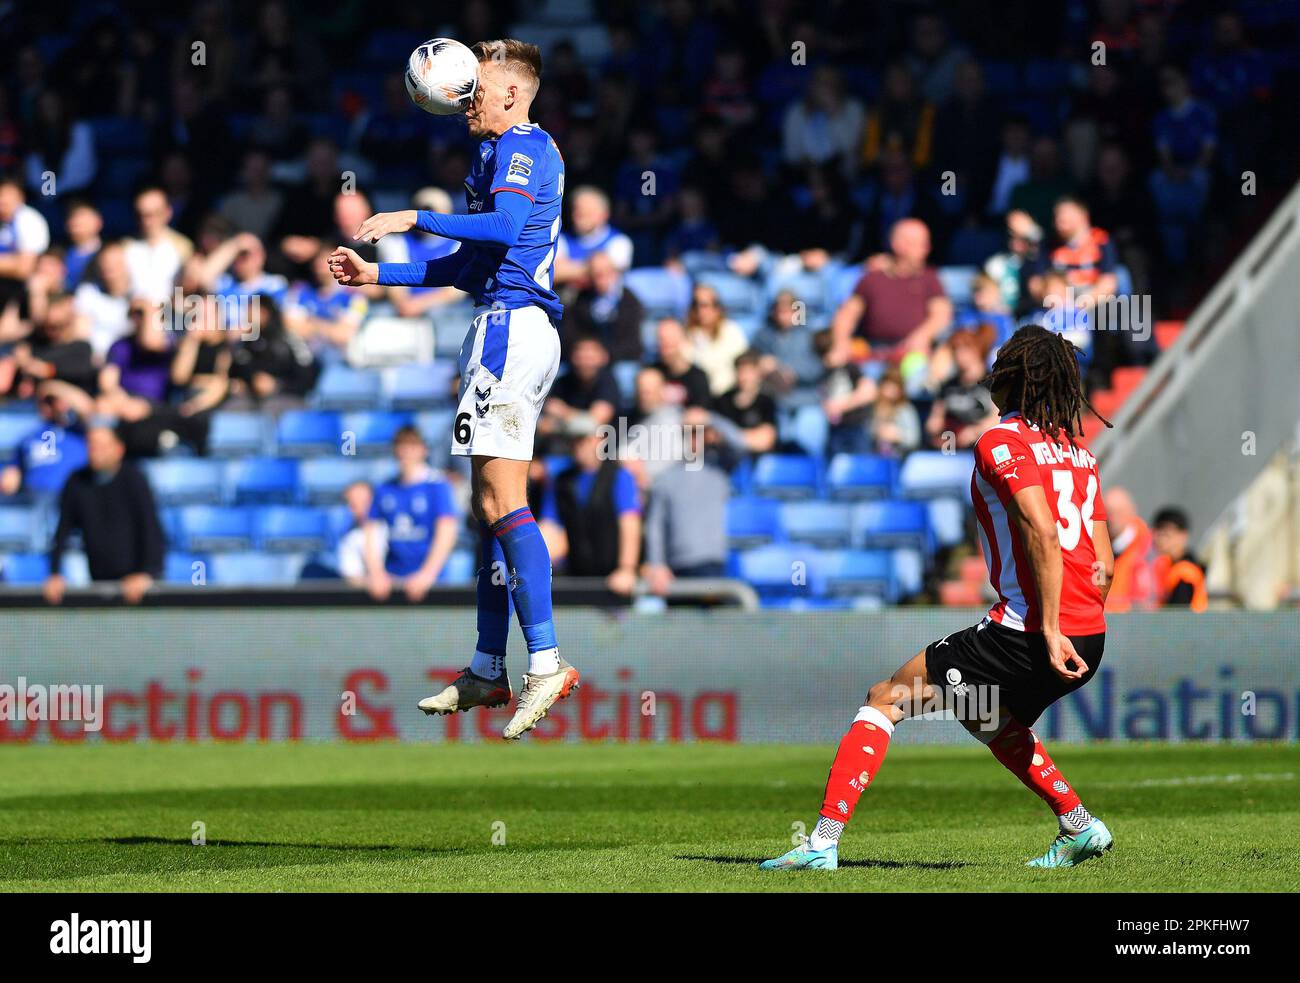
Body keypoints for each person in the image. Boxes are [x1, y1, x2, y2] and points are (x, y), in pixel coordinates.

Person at [761, 326, 1116, 872]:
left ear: (1015, 378)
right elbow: (1104, 563)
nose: (993, 373)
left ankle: (821, 843)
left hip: (1030, 631)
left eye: (1003, 365)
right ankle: (1079, 825)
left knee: (885, 700)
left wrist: (1048, 628)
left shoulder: (1002, 442)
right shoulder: (1080, 455)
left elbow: (1044, 533)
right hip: (1088, 634)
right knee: (986, 716)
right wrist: (1077, 621)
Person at [329, 40, 576, 740]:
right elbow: (470, 263)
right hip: (493, 320)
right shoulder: (490, 156)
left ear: (512, 95)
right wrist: (375, 277)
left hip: (514, 327)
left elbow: (501, 228)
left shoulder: (525, 144)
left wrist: (412, 217)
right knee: (485, 507)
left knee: (503, 501)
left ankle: (546, 662)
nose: (468, 95)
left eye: (482, 83)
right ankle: (487, 665)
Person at [44, 422, 164, 605]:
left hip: (136, 586)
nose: (94, 451)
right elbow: (62, 530)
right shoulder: (77, 482)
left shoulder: (134, 480)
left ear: (118, 449)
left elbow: (150, 528)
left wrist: (146, 573)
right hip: (100, 581)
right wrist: (55, 574)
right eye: (91, 445)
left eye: (101, 446)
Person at [539, 424, 642, 595]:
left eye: (584, 439)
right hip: (577, 579)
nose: (578, 445)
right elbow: (550, 528)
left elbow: (630, 523)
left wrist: (627, 569)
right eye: (573, 440)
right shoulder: (561, 481)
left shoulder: (619, 475)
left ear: (599, 440)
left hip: (614, 581)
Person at [363, 426, 459, 602]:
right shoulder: (385, 488)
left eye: (411, 446)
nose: (406, 452)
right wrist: (376, 573)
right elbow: (371, 531)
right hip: (394, 581)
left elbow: (447, 531)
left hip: (432, 583)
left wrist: (427, 574)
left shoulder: (437, 486)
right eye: (401, 446)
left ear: (423, 450)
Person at [684, 282, 748, 398]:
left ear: (717, 308)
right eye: (695, 305)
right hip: (698, 397)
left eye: (704, 305)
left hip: (729, 395)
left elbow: (743, 364)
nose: (699, 311)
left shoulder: (731, 330)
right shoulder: (687, 335)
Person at [1151, 506, 1207, 611]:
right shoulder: (1168, 566)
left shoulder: (1186, 572)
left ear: (1183, 535)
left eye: (1166, 535)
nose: (1161, 540)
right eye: (1158, 534)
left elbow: (1178, 616)